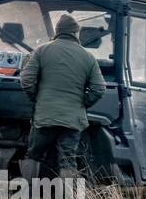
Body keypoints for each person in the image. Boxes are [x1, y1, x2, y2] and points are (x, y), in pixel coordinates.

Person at [18, 13, 106, 180]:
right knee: (67, 160)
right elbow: (99, 88)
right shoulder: (88, 57)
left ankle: (28, 196)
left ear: (57, 32)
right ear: (75, 33)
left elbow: (26, 80)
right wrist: (82, 103)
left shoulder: (42, 51)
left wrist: (37, 99)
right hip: (72, 119)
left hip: (44, 117)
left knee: (33, 155)